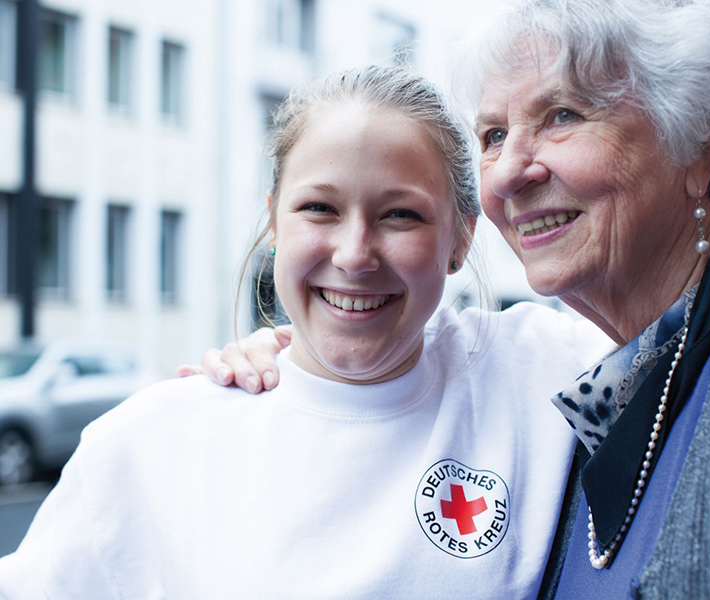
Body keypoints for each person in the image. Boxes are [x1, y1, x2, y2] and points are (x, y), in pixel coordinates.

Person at [194, 0, 710, 597]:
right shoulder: (600, 395)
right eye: (493, 134)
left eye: (562, 115)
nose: (508, 172)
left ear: (697, 147)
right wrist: (291, 367)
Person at [0, 66, 610, 599]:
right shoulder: (150, 443)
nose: (354, 254)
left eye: (401, 214)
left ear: (460, 239)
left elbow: (695, 321)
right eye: (319, 208)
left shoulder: (545, 370)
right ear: (273, 222)